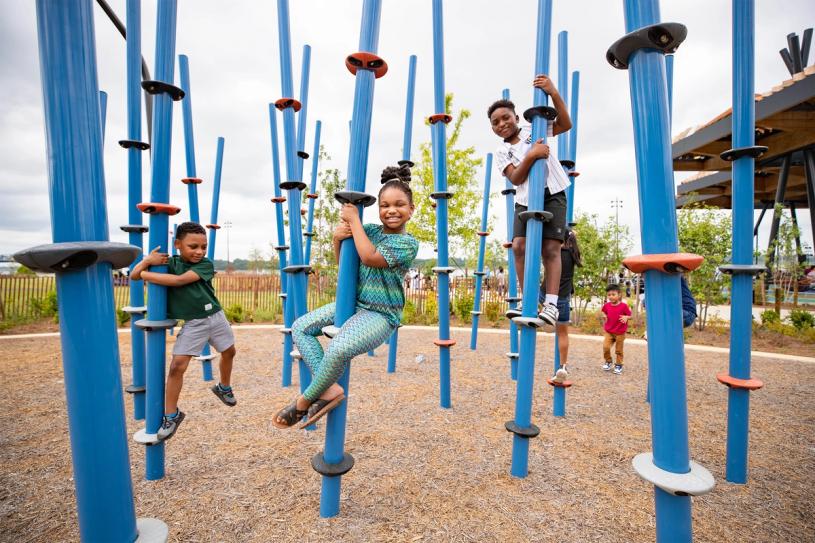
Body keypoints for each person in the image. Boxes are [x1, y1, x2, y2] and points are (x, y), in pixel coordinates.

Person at [273, 164, 419, 429]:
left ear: (411, 209)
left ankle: (304, 401)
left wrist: (353, 221)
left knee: (338, 347)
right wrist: (337, 240)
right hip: (354, 304)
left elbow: (370, 258)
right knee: (300, 328)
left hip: (381, 314)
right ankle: (329, 390)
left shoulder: (407, 243)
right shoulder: (370, 231)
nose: (391, 210)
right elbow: (347, 266)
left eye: (399, 205)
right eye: (385, 205)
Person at [130, 222, 237, 441]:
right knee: (177, 366)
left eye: (203, 246)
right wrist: (147, 262)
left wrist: (146, 276)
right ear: (178, 244)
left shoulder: (205, 265)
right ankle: (171, 415)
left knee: (230, 351)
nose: (199, 251)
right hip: (193, 323)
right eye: (193, 246)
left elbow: (179, 281)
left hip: (215, 316)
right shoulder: (167, 264)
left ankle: (223, 386)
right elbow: (133, 276)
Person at [488, 74, 572, 326]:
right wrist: (533, 154)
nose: (502, 124)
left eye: (506, 118)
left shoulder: (532, 128)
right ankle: (528, 299)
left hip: (553, 192)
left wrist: (553, 92)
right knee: (519, 246)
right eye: (495, 122)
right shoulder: (502, 152)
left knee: (550, 248)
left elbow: (565, 124)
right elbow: (515, 177)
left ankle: (552, 304)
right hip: (524, 200)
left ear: (516, 117)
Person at [543, 229, 582, 383]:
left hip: (548, 296)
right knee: (563, 334)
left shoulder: (555, 253)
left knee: (535, 297)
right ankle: (563, 366)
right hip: (564, 300)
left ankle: (546, 317)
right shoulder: (573, 254)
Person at [601, 284, 631, 375]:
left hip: (620, 333)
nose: (611, 297)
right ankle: (608, 361)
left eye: (613, 294)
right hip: (609, 331)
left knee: (618, 350)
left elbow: (630, 315)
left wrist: (627, 317)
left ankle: (618, 365)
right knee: (606, 347)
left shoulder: (624, 306)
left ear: (619, 295)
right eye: (609, 295)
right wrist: (604, 315)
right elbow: (603, 311)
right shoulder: (606, 306)